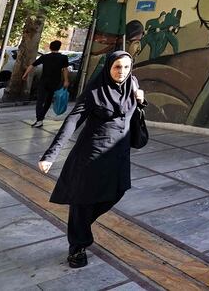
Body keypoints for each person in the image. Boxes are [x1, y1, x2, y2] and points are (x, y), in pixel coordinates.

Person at [38, 50, 145, 269]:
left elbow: (133, 114)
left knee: (117, 192)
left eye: (126, 67)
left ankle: (80, 228)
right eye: (117, 67)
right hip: (92, 153)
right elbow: (72, 121)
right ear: (108, 67)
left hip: (119, 152)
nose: (122, 72)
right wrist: (51, 154)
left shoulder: (132, 84)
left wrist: (141, 101)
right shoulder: (95, 91)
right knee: (83, 201)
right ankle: (77, 245)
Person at [26, 40, 71, 127]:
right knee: (48, 101)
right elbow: (65, 69)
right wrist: (66, 80)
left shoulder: (45, 57)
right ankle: (40, 119)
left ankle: (39, 119)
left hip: (44, 81)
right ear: (59, 47)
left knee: (40, 101)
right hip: (55, 82)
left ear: (50, 47)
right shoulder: (63, 57)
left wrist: (25, 74)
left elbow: (32, 65)